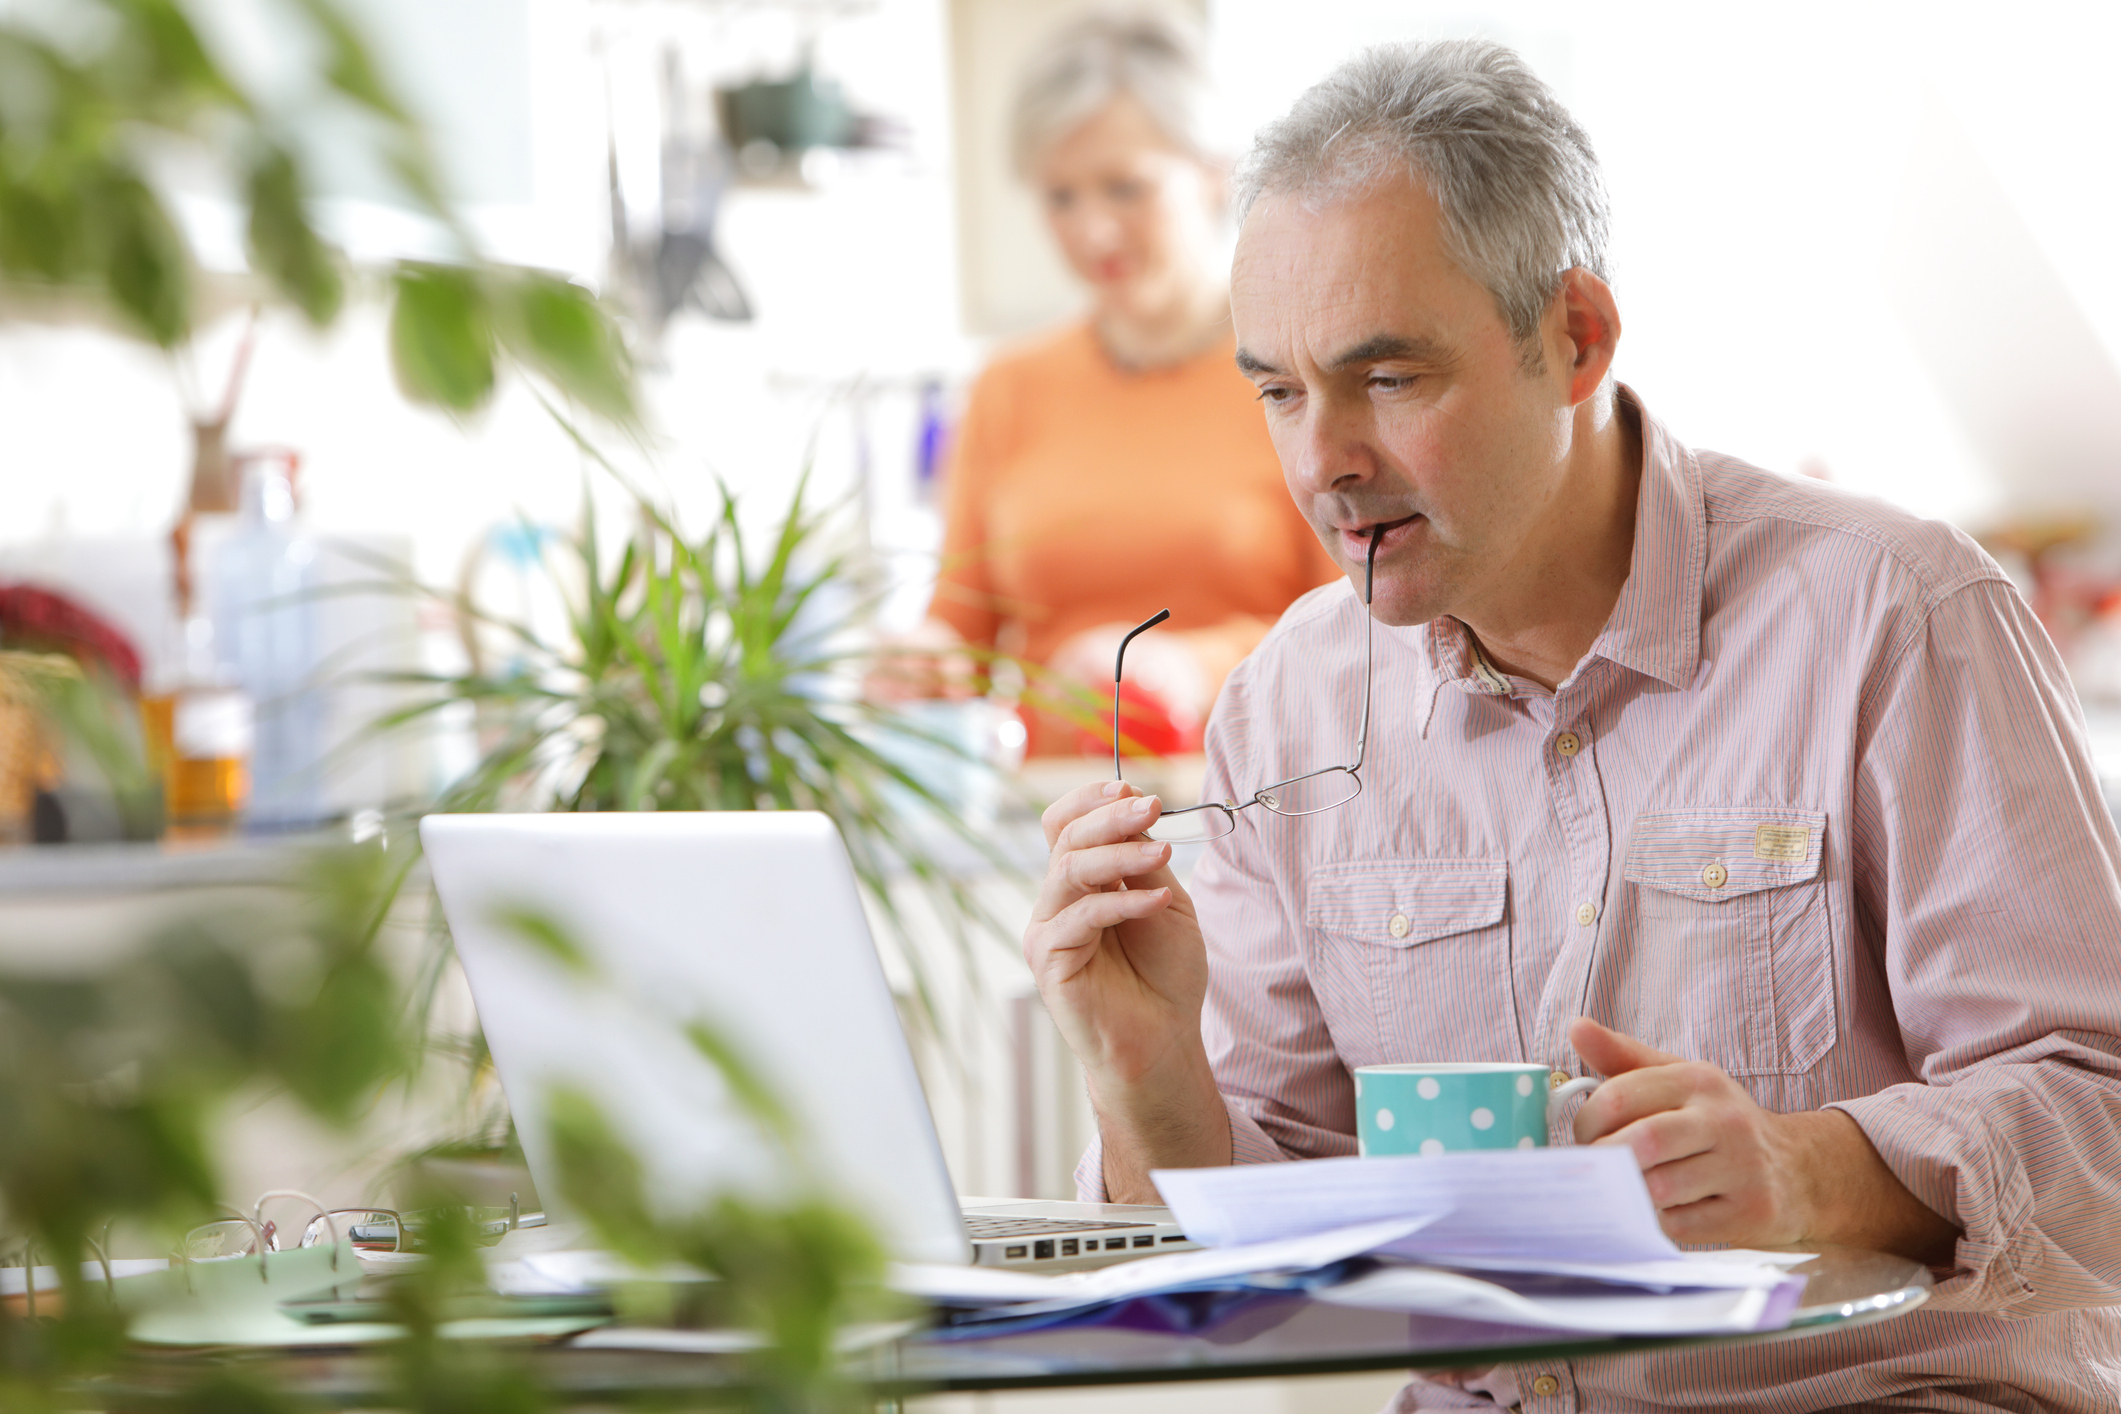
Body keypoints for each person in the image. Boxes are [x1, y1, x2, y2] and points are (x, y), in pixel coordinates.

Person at [1026, 38, 2121, 1412]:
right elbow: (1273, 1260)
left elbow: (2100, 1101)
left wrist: (1811, 1171)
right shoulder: (1289, 705)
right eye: (1279, 391)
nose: (1320, 462)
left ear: (1577, 337)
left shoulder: (1893, 614)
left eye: (1390, 378)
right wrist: (1150, 1079)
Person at [908, 9, 1337, 756]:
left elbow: (1366, 628)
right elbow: (962, 633)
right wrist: (923, 662)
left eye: (1124, 187)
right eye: (1060, 196)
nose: (1092, 231)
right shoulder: (1008, 387)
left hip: (1257, 800)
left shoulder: (1299, 373)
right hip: (1050, 815)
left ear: (1213, 172)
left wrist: (1195, 667)